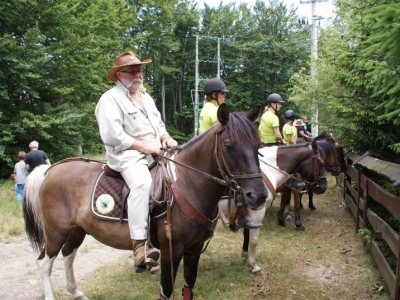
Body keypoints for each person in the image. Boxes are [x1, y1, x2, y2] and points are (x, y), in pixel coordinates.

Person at [95, 51, 178, 272]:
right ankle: (139, 247)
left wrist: (165, 137)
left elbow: (158, 124)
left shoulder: (145, 97)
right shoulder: (109, 99)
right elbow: (112, 135)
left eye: (139, 70)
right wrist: (144, 146)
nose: (137, 74)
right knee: (142, 184)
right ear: (119, 75)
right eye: (131, 71)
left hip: (155, 150)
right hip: (127, 156)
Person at [199, 78, 262, 229]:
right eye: (222, 93)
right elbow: (226, 133)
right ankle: (242, 217)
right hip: (213, 151)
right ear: (213, 94)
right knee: (238, 180)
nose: (224, 96)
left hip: (206, 149)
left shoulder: (206, 108)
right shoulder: (214, 110)